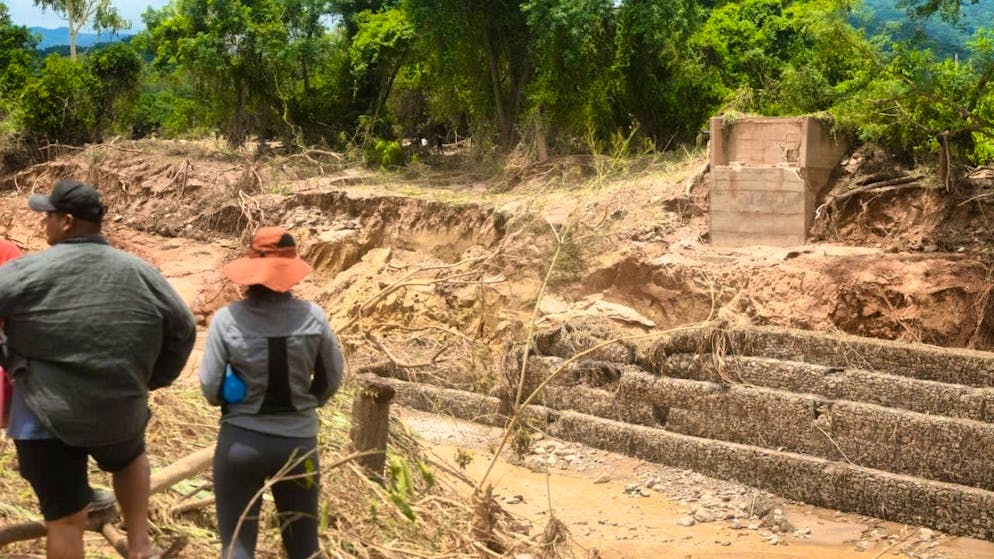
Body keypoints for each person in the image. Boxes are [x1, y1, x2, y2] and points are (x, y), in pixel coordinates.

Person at [0, 179, 197, 559]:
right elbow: (184, 328)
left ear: (67, 221)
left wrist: (9, 357)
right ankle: (140, 543)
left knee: (65, 523)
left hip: (45, 415)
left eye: (48, 216)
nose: (44, 224)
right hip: (118, 409)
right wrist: (153, 379)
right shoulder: (142, 272)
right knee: (129, 456)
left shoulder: (25, 271)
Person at [199, 226, 343, 559]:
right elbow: (331, 380)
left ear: (251, 270)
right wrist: (308, 404)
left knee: (237, 547)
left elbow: (209, 387)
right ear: (291, 274)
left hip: (241, 444)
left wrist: (235, 400)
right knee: (305, 547)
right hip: (299, 446)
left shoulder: (226, 320)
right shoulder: (314, 319)